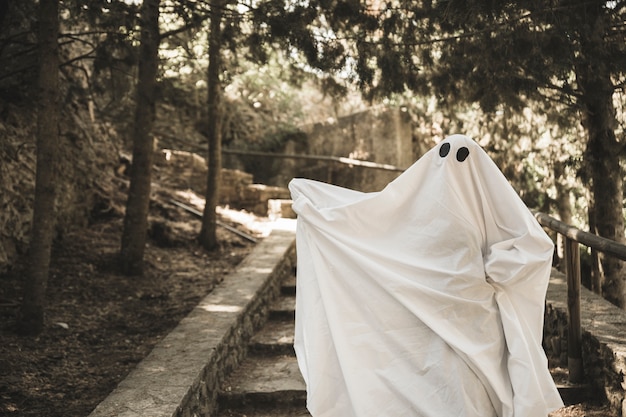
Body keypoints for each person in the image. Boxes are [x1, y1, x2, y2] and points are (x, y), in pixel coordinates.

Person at [288, 134, 564, 417]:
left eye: (462, 157)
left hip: (476, 322)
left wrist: (493, 270)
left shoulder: (481, 210)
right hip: (434, 325)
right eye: (445, 155)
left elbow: (533, 248)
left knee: (471, 396)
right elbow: (375, 229)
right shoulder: (419, 213)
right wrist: (314, 210)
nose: (453, 165)